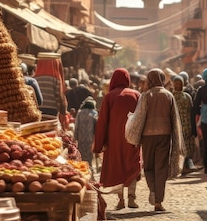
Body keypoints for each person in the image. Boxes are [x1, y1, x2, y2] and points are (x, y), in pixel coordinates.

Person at [126, 68, 183, 212]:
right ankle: (158, 201)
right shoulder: (168, 95)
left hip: (147, 137)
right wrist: (176, 139)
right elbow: (174, 119)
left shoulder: (146, 96)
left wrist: (134, 135)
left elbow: (140, 118)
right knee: (161, 167)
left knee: (149, 166)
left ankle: (152, 189)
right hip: (164, 135)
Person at [93, 68, 142, 210]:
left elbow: (102, 121)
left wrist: (99, 144)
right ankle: (132, 197)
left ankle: (121, 200)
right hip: (132, 138)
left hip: (114, 139)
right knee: (132, 164)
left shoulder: (109, 97)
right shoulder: (137, 95)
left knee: (118, 167)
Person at [172, 75, 197, 174]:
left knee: (188, 146)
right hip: (177, 125)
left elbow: (191, 112)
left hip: (187, 125)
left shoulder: (187, 96)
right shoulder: (171, 96)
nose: (178, 85)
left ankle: (187, 165)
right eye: (176, 83)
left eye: (179, 83)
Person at [74, 97, 99, 178]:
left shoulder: (79, 113)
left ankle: (82, 175)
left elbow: (76, 127)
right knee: (89, 159)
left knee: (81, 158)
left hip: (81, 139)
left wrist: (75, 139)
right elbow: (97, 128)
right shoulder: (94, 113)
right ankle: (90, 177)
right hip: (90, 139)